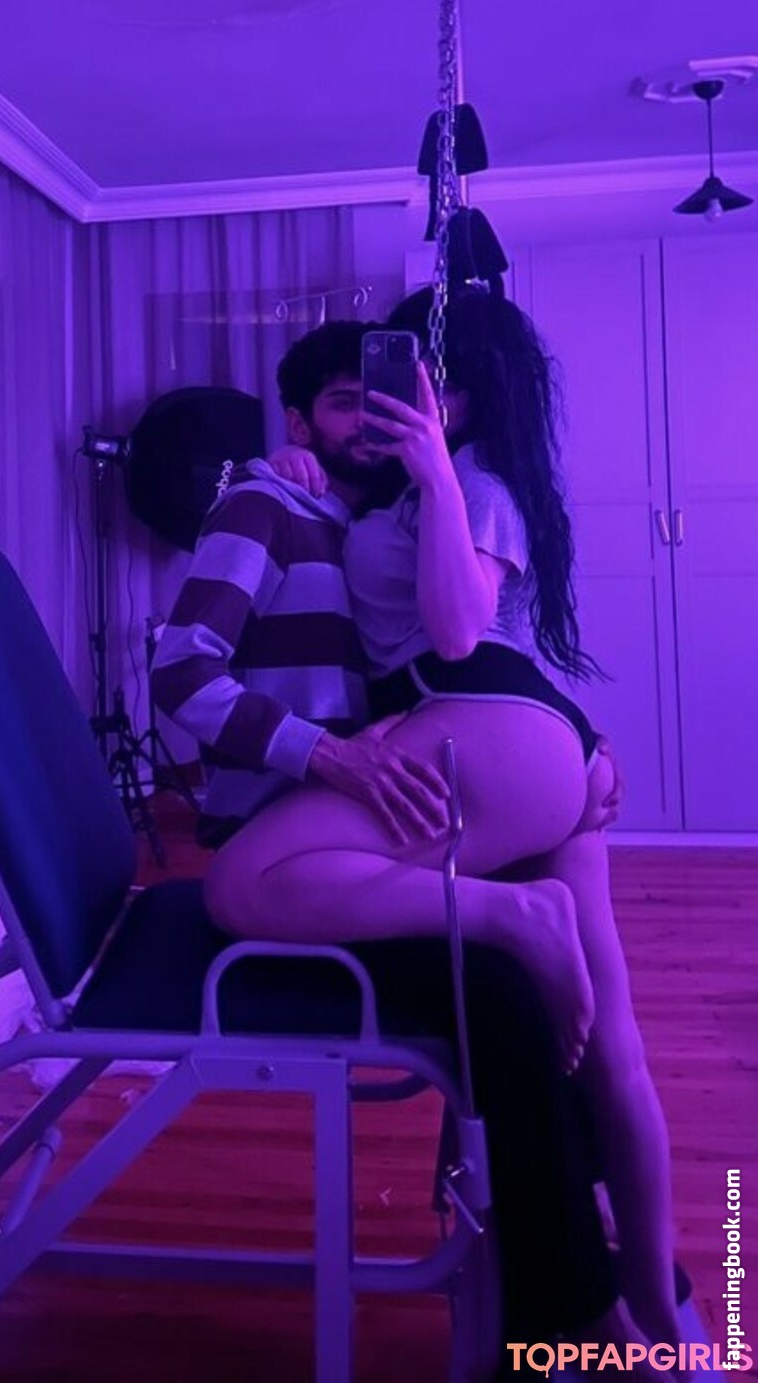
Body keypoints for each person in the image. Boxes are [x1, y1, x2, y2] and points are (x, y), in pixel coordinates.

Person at [200, 291, 687, 1371]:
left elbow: (462, 633)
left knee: (245, 880)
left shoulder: (473, 484)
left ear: (476, 392)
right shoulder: (392, 489)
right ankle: (659, 1312)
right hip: (526, 741)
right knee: (610, 1041)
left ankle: (516, 915)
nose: (421, 396)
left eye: (444, 379)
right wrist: (298, 466)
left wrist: (430, 468)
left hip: (482, 723)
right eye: (410, 376)